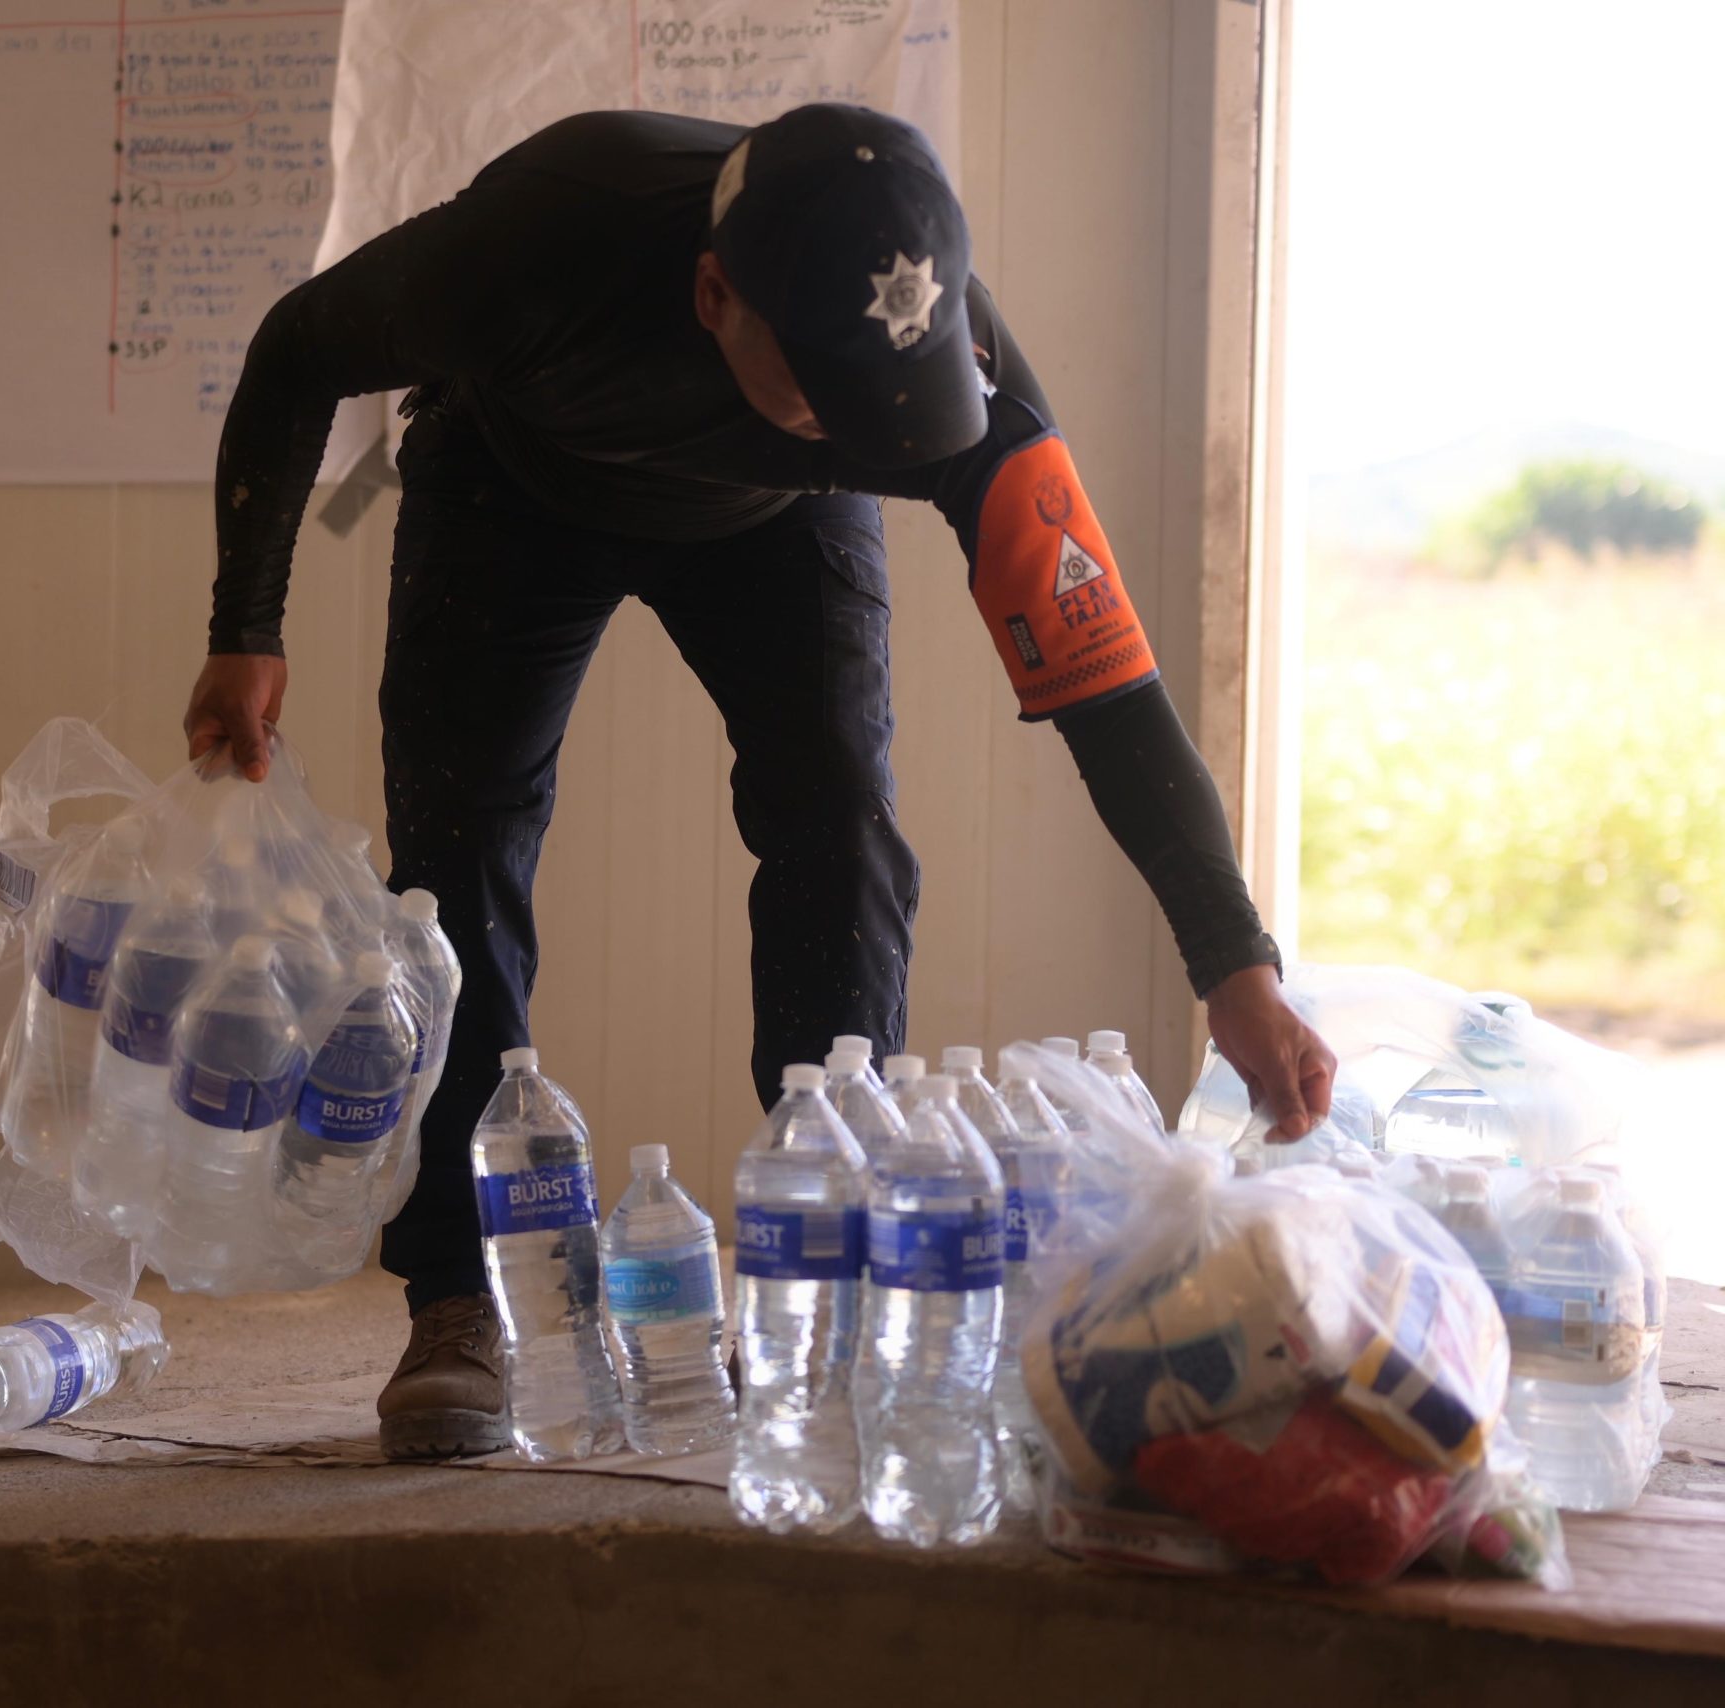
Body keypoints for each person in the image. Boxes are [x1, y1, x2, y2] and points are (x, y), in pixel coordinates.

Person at [183, 105, 1337, 1460]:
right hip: (513, 481)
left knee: (840, 826)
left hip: (775, 521)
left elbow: (1106, 687)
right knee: (455, 852)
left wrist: (1234, 966)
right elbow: (297, 349)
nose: (870, 427)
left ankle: (825, 1274)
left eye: (892, 406)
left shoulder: (941, 372)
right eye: (825, 395)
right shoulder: (541, 245)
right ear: (714, 296)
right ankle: (461, 1296)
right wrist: (245, 627)